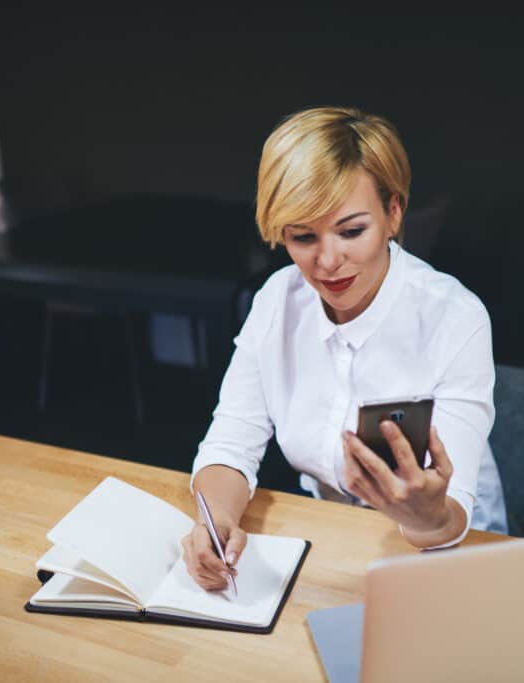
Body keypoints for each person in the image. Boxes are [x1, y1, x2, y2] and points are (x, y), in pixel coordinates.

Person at [181, 106, 507, 591]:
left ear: (394, 213)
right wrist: (217, 520)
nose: (328, 262)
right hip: (336, 541)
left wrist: (425, 514)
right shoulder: (277, 300)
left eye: (352, 231)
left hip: (455, 551)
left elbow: (452, 509)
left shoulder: (454, 317)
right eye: (302, 237)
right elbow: (231, 442)